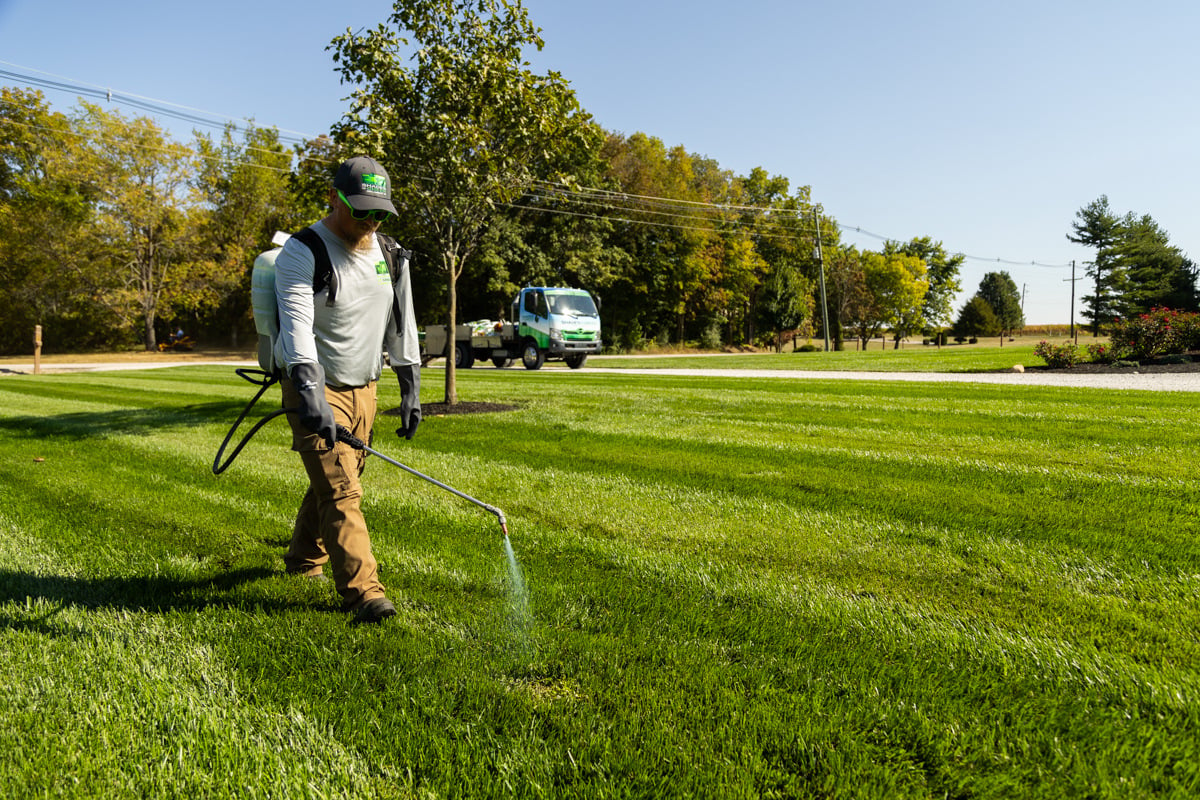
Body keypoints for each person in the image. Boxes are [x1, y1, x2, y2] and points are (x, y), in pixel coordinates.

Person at [273, 155, 422, 625]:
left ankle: (302, 558)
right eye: (362, 211)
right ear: (335, 198)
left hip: (367, 388)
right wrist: (308, 389)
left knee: (337, 478)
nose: (371, 221)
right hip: (316, 384)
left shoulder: (392, 253)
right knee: (342, 491)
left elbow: (403, 324)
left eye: (379, 212)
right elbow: (296, 323)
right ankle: (365, 595)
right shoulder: (304, 250)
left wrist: (410, 386)